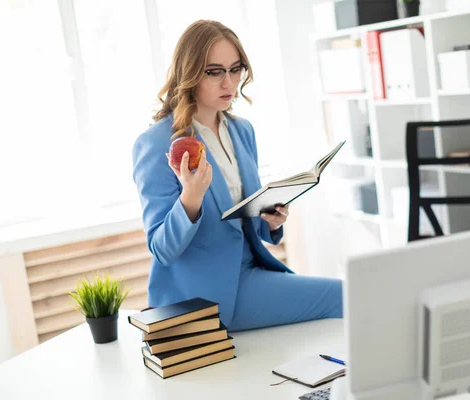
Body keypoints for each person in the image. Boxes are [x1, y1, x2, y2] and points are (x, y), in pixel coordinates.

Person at [132, 20, 342, 332]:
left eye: (236, 69)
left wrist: (270, 221)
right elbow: (162, 249)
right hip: (203, 295)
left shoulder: (242, 131)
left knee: (341, 299)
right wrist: (190, 199)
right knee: (342, 296)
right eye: (214, 71)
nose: (228, 83)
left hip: (250, 272)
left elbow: (243, 220)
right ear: (189, 73)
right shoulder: (156, 143)